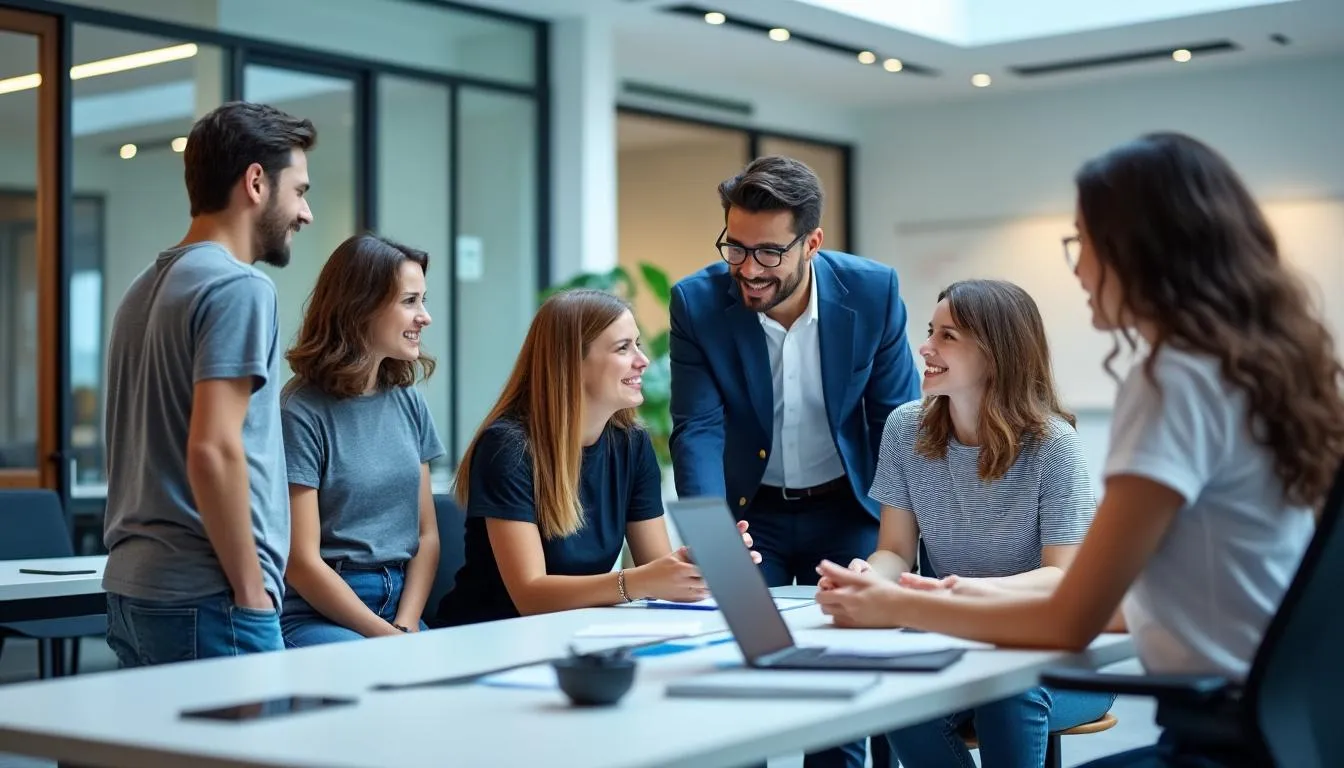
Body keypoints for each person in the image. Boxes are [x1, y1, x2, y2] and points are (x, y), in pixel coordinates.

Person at [814, 132, 1344, 767]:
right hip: (1283, 725)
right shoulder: (1246, 371)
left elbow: (1073, 616)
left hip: (1222, 738)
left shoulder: (1173, 382)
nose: (1077, 267)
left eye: (1083, 242)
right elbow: (1126, 605)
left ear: (1137, 250)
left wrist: (900, 604)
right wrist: (936, 595)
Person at [669, 154, 919, 768]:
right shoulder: (697, 302)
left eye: (769, 252)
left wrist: (900, 534)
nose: (748, 269)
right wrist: (713, 531)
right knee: (736, 662)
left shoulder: (873, 291)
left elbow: (897, 422)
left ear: (812, 242)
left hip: (848, 505)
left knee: (843, 675)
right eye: (735, 247)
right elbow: (697, 428)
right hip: (752, 513)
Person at [849, 279, 1114, 768]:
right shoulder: (905, 428)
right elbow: (895, 550)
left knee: (1007, 691)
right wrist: (871, 576)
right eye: (930, 331)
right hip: (962, 642)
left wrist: (959, 593)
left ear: (995, 354)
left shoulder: (1055, 445)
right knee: (897, 697)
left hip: (1060, 654)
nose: (925, 348)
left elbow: (1062, 576)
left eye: (947, 336)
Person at [102, 101, 316, 666]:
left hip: (135, 590)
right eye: (299, 191)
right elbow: (214, 448)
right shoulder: (239, 287)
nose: (306, 213)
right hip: (211, 596)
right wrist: (251, 591)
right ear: (255, 183)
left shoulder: (143, 288)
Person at [435, 289, 757, 626]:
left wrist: (702, 565)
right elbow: (529, 596)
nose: (643, 360)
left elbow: (656, 571)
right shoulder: (508, 447)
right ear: (572, 363)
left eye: (637, 344)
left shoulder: (632, 444)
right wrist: (638, 581)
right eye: (623, 348)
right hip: (488, 636)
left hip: (573, 633)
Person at [278, 234, 444, 647]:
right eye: (410, 301)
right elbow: (301, 562)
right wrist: (386, 638)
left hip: (400, 609)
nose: (424, 317)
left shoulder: (409, 402)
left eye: (423, 301)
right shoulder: (300, 411)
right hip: (319, 613)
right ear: (361, 307)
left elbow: (427, 536)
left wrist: (405, 626)